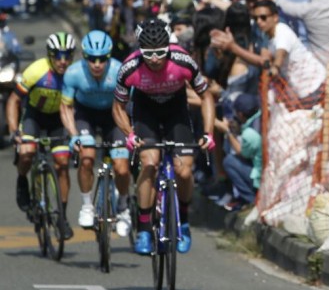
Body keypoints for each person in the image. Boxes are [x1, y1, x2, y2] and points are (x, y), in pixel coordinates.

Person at [112, 18, 216, 255]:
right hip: (145, 112)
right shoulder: (129, 67)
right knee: (149, 163)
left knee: (184, 171)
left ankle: (185, 221)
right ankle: (145, 229)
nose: (156, 59)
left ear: (169, 47)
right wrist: (129, 134)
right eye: (149, 54)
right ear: (140, 51)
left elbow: (206, 96)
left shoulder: (183, 61)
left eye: (161, 52)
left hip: (175, 112)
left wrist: (208, 133)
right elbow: (118, 107)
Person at [60, 30, 132, 236]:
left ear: (109, 57)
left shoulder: (120, 72)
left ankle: (124, 208)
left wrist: (130, 131)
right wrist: (73, 134)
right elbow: (65, 107)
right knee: (87, 157)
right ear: (85, 57)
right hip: (86, 115)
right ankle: (87, 206)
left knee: (121, 167)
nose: (97, 64)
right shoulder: (73, 73)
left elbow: (132, 104)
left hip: (114, 115)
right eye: (92, 59)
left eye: (102, 59)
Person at [8, 32, 76, 240]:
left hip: (58, 119)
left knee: (62, 162)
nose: (63, 61)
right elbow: (13, 100)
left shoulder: (73, 74)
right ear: (49, 55)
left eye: (67, 56)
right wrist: (14, 131)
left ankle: (62, 217)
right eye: (58, 56)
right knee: (27, 152)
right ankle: (22, 181)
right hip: (34, 117)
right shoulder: (36, 70)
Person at [213, 93, 262, 211]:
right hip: (265, 169)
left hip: (260, 177)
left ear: (240, 114)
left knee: (229, 161)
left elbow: (242, 153)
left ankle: (251, 200)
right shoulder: (260, 119)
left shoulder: (250, 134)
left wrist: (227, 132)